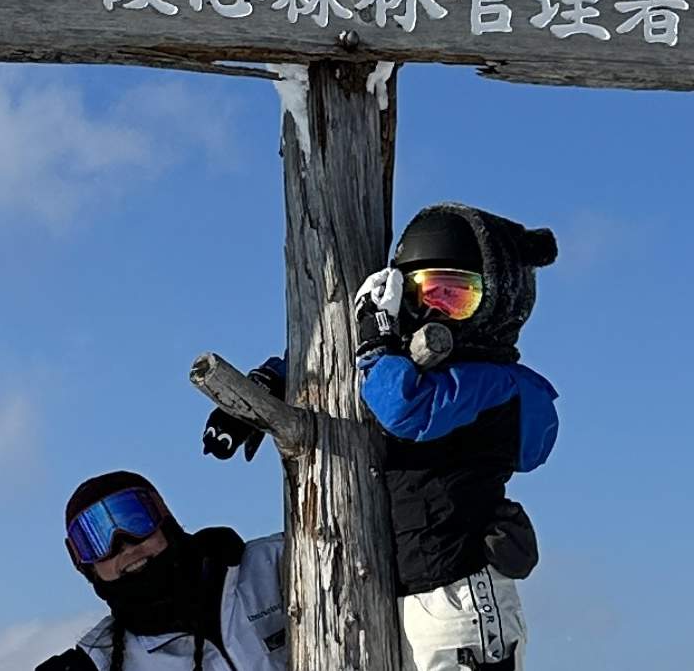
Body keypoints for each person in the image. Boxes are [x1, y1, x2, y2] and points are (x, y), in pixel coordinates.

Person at [201, 202, 562, 671]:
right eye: (421, 292)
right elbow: (332, 360)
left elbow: (403, 410)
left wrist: (378, 341)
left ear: (498, 304)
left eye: (457, 297)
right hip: (387, 597)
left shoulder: (495, 382)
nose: (434, 311)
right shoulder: (396, 365)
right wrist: (261, 389)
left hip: (458, 601)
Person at [33, 471, 288, 671]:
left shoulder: (272, 566)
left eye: (135, 520)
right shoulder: (102, 662)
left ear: (165, 519)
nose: (124, 544)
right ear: (85, 566)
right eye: (97, 540)